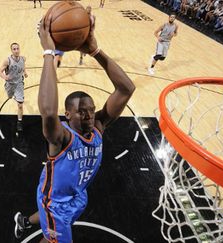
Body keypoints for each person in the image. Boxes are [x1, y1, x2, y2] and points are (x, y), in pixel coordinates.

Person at [14, 16, 135, 242]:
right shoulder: (60, 137)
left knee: (53, 233)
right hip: (54, 203)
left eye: (91, 109)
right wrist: (49, 54)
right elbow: (48, 112)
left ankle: (24, 221)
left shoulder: (98, 126)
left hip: (78, 197)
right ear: (67, 115)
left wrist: (95, 50)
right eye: (81, 111)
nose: (88, 114)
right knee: (56, 235)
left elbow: (126, 89)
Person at [0, 43, 28, 132]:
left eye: (17, 48)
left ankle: (19, 122)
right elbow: (0, 72)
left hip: (19, 84)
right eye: (14, 49)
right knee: (9, 97)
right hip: (10, 84)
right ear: (11, 51)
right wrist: (5, 77)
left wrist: (25, 72)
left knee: (20, 105)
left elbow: (23, 66)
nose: (16, 50)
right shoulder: (7, 61)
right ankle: (13, 96)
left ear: (19, 49)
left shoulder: (23, 58)